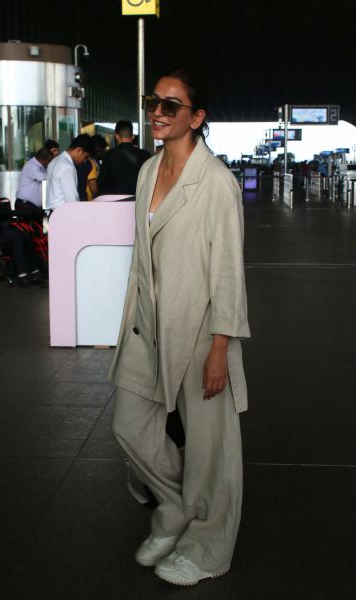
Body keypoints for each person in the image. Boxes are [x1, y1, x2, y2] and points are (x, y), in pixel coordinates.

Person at [108, 67, 250, 586]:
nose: (158, 113)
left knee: (212, 449)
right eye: (153, 102)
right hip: (146, 327)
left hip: (199, 330)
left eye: (171, 105)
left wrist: (220, 348)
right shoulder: (148, 171)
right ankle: (174, 507)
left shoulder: (216, 183)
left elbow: (229, 273)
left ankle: (209, 545)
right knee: (129, 426)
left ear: (196, 117)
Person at [97, 120, 152, 196]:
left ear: (116, 136)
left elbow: (101, 182)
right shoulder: (145, 155)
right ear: (133, 136)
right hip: (139, 199)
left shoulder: (109, 155)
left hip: (114, 200)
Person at [45, 134, 94, 211]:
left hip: (52, 212)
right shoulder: (67, 167)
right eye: (85, 157)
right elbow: (72, 200)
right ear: (79, 150)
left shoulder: (54, 161)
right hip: (62, 213)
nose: (84, 161)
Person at [14, 147, 53, 226]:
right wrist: (56, 176)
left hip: (33, 206)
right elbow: (41, 177)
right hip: (25, 205)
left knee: (40, 226)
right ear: (43, 160)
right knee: (29, 230)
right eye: (49, 161)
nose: (50, 163)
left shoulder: (42, 167)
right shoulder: (31, 165)